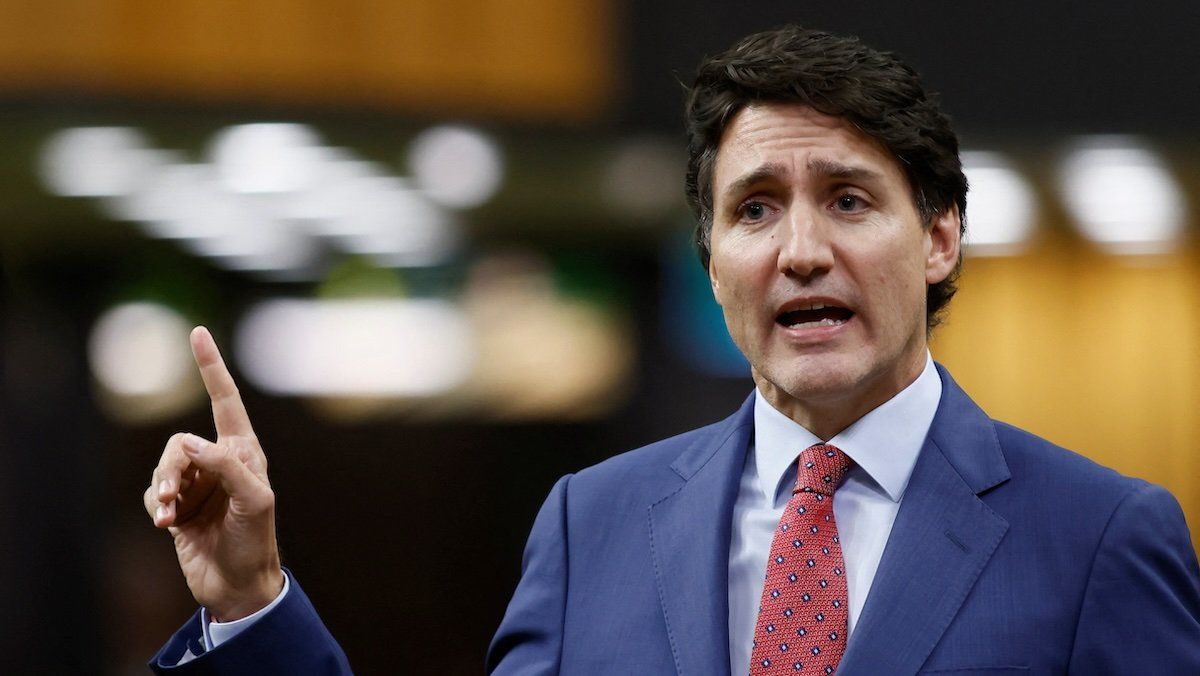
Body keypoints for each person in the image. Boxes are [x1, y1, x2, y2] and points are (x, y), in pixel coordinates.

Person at [145, 24, 1200, 675]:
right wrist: (252, 600)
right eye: (753, 210)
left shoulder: (1102, 540)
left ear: (938, 236)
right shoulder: (587, 524)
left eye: (847, 199)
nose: (799, 250)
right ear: (710, 261)